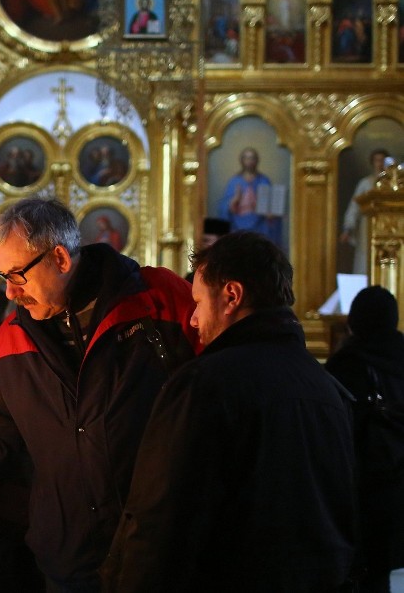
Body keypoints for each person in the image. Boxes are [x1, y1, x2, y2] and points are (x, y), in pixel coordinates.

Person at [0, 197, 200, 590]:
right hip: (73, 558)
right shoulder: (10, 343)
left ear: (60, 259)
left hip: (167, 548)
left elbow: (222, 385)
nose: (10, 294)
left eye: (17, 275)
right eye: (3, 277)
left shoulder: (158, 300)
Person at [103, 231, 356, 592]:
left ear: (231, 296)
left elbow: (162, 516)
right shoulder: (327, 388)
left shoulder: (204, 383)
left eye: (198, 303)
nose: (192, 320)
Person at [326, 285, 404, 593]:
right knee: (381, 573)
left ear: (354, 320)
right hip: (398, 487)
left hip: (361, 491)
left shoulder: (349, 365)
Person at [217, 147, 283, 248]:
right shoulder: (234, 181)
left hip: (259, 226)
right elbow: (224, 209)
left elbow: (271, 211)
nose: (249, 161)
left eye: (252, 158)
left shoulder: (264, 181)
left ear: (256, 160)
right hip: (237, 227)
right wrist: (235, 200)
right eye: (246, 158)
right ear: (242, 160)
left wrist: (266, 211)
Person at [340, 148, 389, 274]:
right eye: (377, 160)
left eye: (382, 161)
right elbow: (354, 207)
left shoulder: (392, 185)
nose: (380, 164)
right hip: (367, 227)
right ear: (373, 163)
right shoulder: (365, 183)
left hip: (388, 227)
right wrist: (348, 228)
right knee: (365, 260)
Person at [184, 216, 230, 282]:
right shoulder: (193, 277)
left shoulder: (230, 274)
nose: (202, 245)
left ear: (221, 241)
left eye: (206, 240)